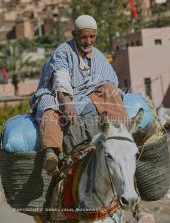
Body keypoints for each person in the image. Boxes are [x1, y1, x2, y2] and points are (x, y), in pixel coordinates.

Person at [30, 15, 128, 175]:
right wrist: (67, 104)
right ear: (74, 35)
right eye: (84, 37)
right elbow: (60, 79)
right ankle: (51, 152)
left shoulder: (97, 55)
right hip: (56, 94)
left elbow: (109, 79)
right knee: (49, 111)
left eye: (92, 36)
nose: (88, 41)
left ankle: (123, 133)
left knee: (109, 89)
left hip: (84, 95)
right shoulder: (63, 51)